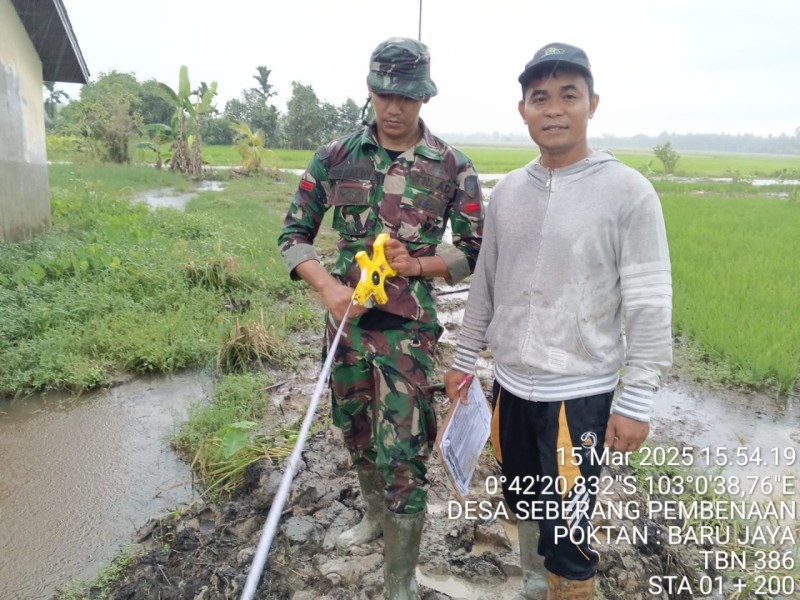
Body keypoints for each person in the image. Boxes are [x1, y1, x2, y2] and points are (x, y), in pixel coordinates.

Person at [444, 42, 672, 600]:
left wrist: (636, 400)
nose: (552, 109)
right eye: (538, 97)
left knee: (568, 536)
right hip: (510, 393)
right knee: (521, 506)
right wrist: (462, 360)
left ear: (592, 103)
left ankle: (566, 587)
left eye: (567, 95)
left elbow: (648, 303)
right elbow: (486, 288)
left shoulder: (628, 194)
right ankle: (532, 585)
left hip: (578, 397)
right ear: (522, 110)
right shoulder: (509, 195)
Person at [278, 37, 484, 599]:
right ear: (370, 90)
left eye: (407, 98)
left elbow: (473, 250)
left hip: (408, 335)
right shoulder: (335, 156)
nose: (394, 108)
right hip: (345, 329)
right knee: (357, 432)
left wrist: (418, 264)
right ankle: (372, 518)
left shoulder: (452, 166)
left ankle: (400, 585)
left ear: (424, 98)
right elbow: (293, 234)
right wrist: (327, 288)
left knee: (405, 454)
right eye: (384, 94)